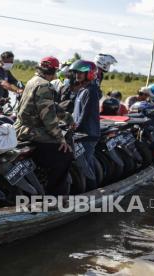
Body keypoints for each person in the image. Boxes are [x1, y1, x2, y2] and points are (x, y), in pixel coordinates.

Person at [14, 56, 74, 195]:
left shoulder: (33, 81)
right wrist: (60, 138)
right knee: (65, 153)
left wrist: (68, 118)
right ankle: (55, 195)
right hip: (30, 130)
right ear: (54, 71)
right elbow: (48, 116)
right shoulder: (44, 85)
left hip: (22, 127)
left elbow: (50, 106)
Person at [70, 59, 102, 191]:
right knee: (86, 163)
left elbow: (86, 113)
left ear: (89, 74)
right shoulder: (82, 89)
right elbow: (76, 113)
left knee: (84, 164)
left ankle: (93, 192)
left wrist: (77, 127)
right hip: (82, 133)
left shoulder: (91, 90)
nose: (78, 75)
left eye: (81, 73)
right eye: (76, 72)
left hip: (87, 134)